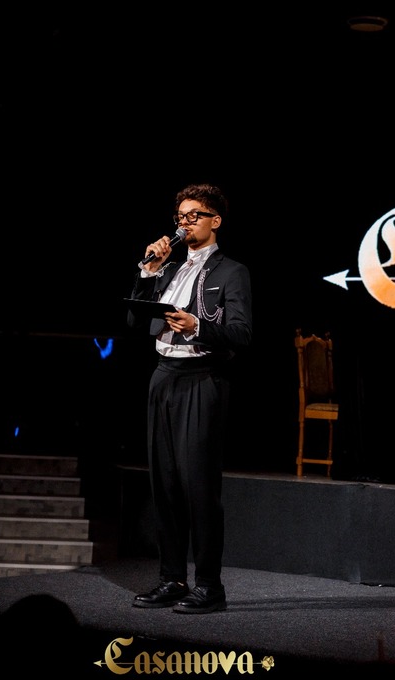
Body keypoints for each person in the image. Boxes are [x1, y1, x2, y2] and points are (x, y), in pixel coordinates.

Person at [126, 183, 253, 614]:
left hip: (203, 377)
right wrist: (148, 271)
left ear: (215, 220)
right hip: (163, 376)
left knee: (199, 486)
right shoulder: (168, 269)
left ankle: (210, 586)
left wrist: (197, 325)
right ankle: (172, 579)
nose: (185, 222)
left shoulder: (232, 272)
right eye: (180, 216)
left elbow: (241, 334)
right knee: (164, 485)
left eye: (194, 215)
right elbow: (135, 320)